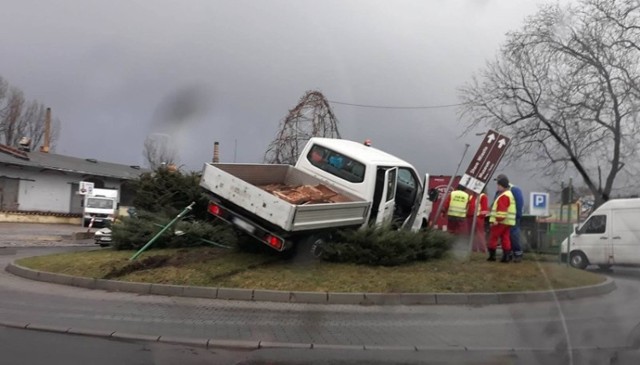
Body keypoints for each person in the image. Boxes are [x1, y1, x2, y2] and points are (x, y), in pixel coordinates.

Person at [495, 174, 524, 262]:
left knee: (514, 236)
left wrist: (518, 215)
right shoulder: (499, 191)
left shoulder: (514, 189)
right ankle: (508, 254)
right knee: (505, 237)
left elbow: (519, 203)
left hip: (512, 218)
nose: (497, 183)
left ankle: (518, 254)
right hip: (502, 218)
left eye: (498, 181)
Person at [488, 177, 516, 262]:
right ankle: (506, 257)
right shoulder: (509, 194)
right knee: (505, 238)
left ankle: (492, 256)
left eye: (498, 185)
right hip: (508, 221)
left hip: (501, 221)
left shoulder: (504, 196)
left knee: (493, 237)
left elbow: (501, 211)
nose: (497, 187)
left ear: (501, 186)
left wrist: (497, 220)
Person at [467, 188, 489, 253]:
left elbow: (484, 209)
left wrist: (479, 217)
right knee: (471, 234)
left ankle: (482, 250)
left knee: (479, 234)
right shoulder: (471, 196)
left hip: (478, 218)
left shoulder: (483, 196)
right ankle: (474, 249)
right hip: (470, 217)